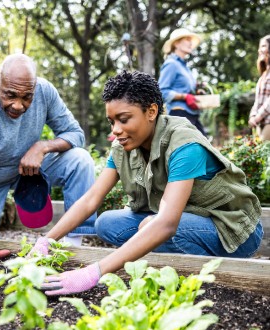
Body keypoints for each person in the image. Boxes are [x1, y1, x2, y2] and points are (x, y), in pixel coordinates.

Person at [35, 70, 263, 296]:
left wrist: (94, 272)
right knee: (106, 223)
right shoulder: (123, 147)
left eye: (124, 119)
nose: (115, 129)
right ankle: (171, 260)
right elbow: (90, 200)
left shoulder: (184, 144)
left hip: (232, 230)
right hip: (187, 219)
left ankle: (207, 279)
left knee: (154, 227)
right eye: (112, 121)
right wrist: (47, 240)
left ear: (152, 111)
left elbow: (166, 224)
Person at [0, 54, 96, 274]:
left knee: (80, 160)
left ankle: (73, 246)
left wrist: (42, 146)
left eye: (27, 97)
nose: (18, 105)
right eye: (10, 95)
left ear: (35, 87)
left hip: (27, 169)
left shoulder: (45, 91)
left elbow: (75, 133)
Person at [158, 28, 207, 136]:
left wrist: (197, 92)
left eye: (191, 40)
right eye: (187, 40)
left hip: (192, 114)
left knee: (205, 145)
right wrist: (184, 96)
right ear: (176, 44)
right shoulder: (171, 64)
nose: (190, 43)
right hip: (179, 114)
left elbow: (189, 90)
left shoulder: (185, 67)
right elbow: (161, 92)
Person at [248, 35, 270, 141]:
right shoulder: (264, 75)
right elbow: (258, 100)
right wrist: (252, 115)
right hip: (261, 122)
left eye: (263, 46)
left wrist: (257, 117)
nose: (259, 50)